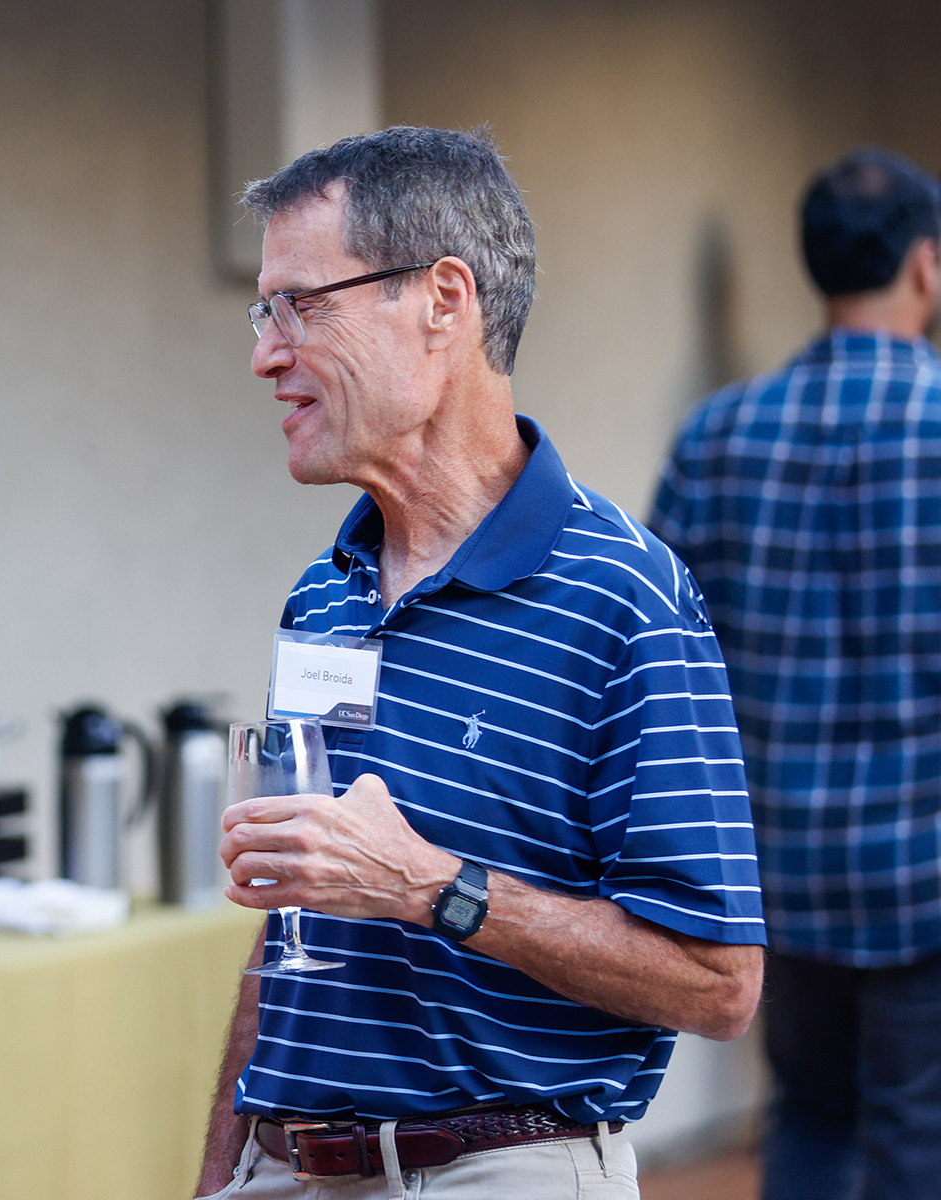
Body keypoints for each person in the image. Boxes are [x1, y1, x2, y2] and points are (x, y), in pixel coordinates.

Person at [193, 127, 766, 1200]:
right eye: (263, 310)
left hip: (497, 1169)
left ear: (445, 301)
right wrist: (223, 1171)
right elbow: (294, 923)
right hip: (286, 1164)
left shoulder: (626, 599)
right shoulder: (326, 593)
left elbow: (718, 983)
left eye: (300, 305)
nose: (265, 353)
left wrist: (429, 886)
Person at [650, 147, 941, 1200]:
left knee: (808, 1117)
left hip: (778, 866)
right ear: (927, 265)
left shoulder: (717, 435)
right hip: (926, 870)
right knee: (922, 1133)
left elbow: (661, 653)